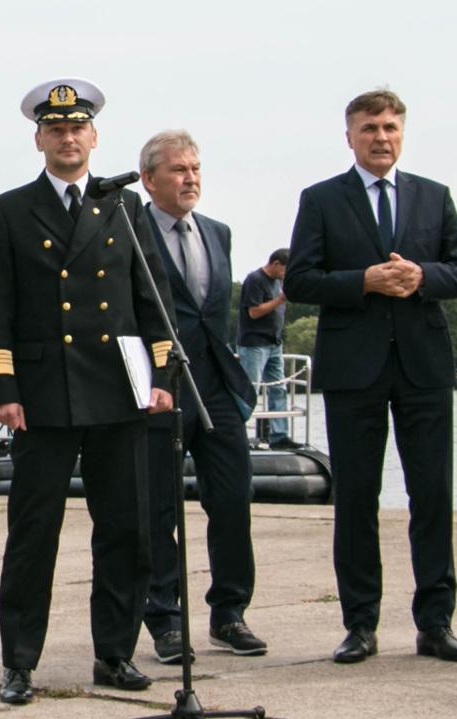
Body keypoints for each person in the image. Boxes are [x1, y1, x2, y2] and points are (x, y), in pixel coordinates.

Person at [0, 78, 175, 705]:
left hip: (118, 390)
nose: (68, 138)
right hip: (41, 396)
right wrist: (2, 386)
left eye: (77, 128)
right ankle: (19, 661)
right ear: (39, 139)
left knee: (125, 530)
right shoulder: (10, 210)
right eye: (55, 129)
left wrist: (163, 377)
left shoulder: (125, 207)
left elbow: (152, 302)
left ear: (93, 136)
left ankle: (114, 653)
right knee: (34, 534)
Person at [285, 89, 457, 665]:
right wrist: (362, 281)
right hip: (353, 369)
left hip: (423, 365)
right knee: (357, 500)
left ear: (403, 133)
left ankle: (436, 624)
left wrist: (423, 276)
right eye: (369, 127)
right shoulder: (321, 199)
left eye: (391, 126)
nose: (381, 136)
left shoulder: (433, 196)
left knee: (432, 496)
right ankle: (360, 625)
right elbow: (300, 281)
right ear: (349, 136)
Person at [136, 130, 265, 664]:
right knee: (158, 508)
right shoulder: (128, 229)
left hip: (215, 385)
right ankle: (164, 619)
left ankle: (229, 613)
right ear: (149, 179)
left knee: (233, 498)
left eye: (195, 169)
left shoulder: (218, 232)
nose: (190, 179)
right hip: (158, 388)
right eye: (178, 170)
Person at [238, 249, 294, 450]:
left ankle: (279, 436)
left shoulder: (279, 282)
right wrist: (279, 300)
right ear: (276, 263)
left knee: (278, 389)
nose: (286, 274)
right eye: (286, 269)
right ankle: (239, 434)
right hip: (254, 344)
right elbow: (253, 312)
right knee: (249, 389)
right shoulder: (254, 280)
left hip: (274, 344)